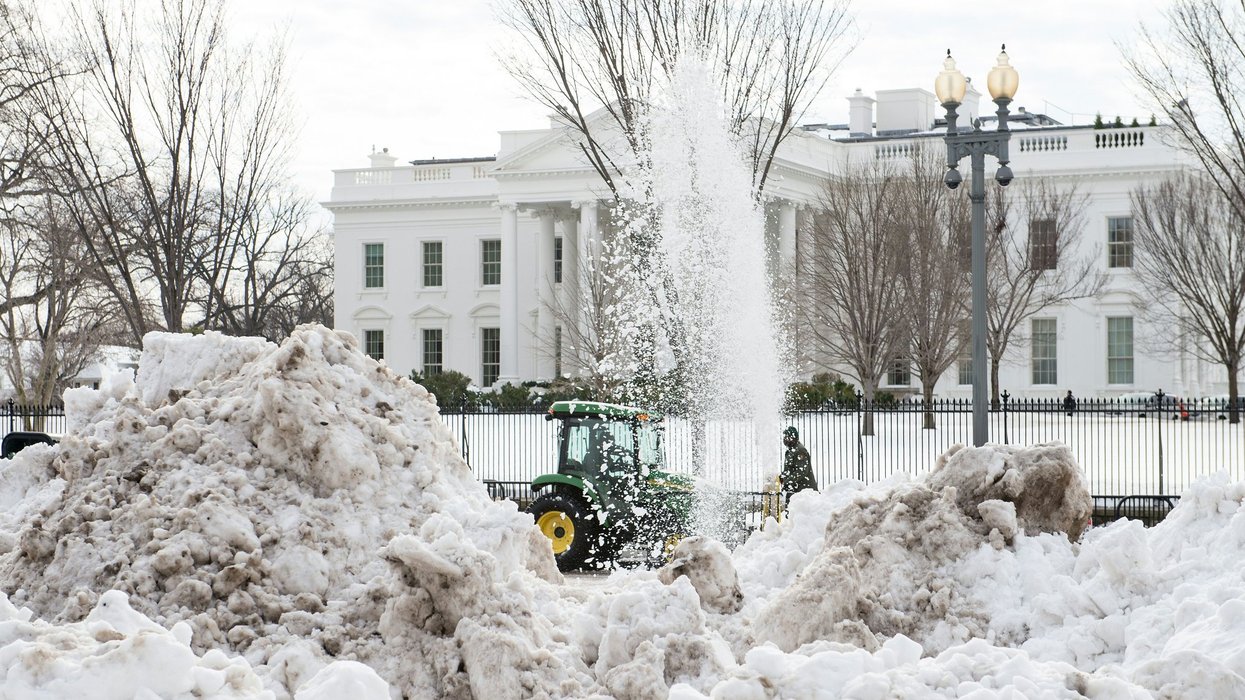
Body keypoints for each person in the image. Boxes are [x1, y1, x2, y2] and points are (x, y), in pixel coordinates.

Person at [780, 426, 817, 506]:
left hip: (804, 491)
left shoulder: (800, 450)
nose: (785, 439)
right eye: (785, 437)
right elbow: (790, 469)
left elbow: (802, 471)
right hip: (795, 489)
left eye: (788, 437)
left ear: (794, 438)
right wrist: (783, 476)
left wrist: (788, 481)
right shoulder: (791, 450)